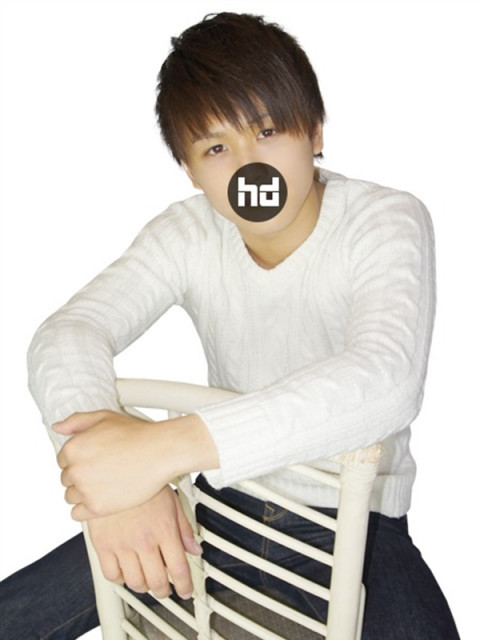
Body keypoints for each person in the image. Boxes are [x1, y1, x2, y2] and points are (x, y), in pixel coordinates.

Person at [0, 11, 459, 639]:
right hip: (216, 512)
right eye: (216, 148)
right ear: (190, 170)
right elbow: (67, 334)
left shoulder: (384, 218)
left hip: (360, 527)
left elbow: (385, 378)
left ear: (314, 130)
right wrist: (122, 489)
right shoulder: (188, 231)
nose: (249, 167)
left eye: (267, 131)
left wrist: (158, 452)